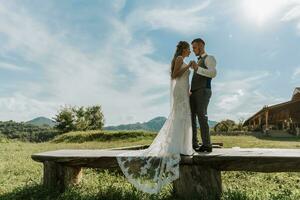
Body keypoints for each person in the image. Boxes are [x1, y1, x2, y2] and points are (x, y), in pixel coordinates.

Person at [117, 41, 195, 194]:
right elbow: (174, 76)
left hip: (183, 91)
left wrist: (188, 90)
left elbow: (183, 78)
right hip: (179, 91)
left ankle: (182, 146)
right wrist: (188, 66)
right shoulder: (180, 59)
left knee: (183, 117)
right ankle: (177, 147)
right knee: (180, 116)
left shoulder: (182, 60)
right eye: (189, 49)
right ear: (184, 49)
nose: (190, 51)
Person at [190, 38, 217, 152]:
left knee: (202, 116)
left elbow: (212, 73)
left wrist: (197, 68)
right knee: (191, 117)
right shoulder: (198, 61)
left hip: (203, 90)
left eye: (195, 47)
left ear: (201, 46)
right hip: (194, 92)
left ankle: (207, 145)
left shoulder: (209, 58)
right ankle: (194, 143)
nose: (193, 50)